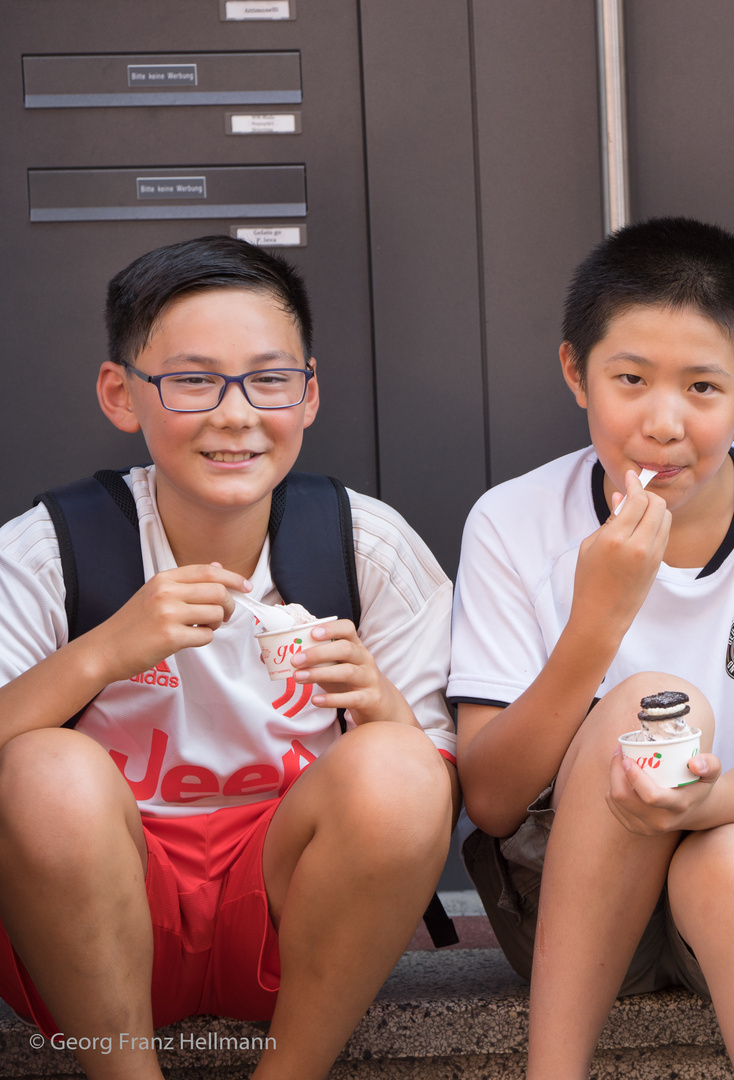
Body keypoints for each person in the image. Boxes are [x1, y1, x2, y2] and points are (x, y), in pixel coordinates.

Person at [0, 236, 458, 1080]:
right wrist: (103, 652)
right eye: (193, 379)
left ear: (310, 393)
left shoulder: (367, 546)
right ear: (121, 394)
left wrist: (380, 704)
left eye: (269, 379)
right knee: (42, 769)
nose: (235, 413)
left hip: (292, 922)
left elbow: (438, 782)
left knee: (399, 763)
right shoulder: (46, 552)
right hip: (91, 924)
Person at [450, 217, 734, 1079]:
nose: (663, 423)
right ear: (576, 373)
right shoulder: (511, 522)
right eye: (629, 379)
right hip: (574, 898)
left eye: (704, 389)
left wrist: (693, 808)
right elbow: (488, 799)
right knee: (651, 704)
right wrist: (597, 622)